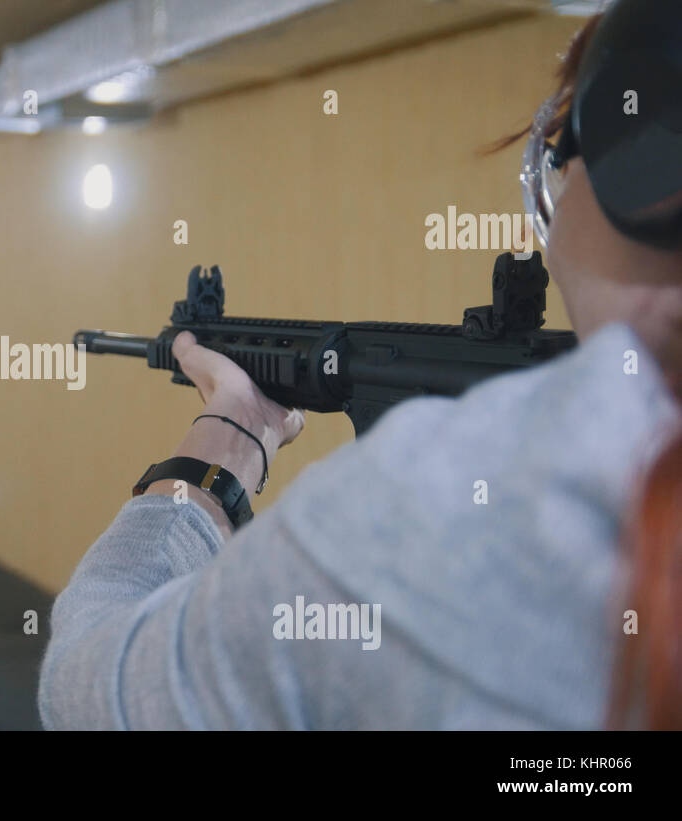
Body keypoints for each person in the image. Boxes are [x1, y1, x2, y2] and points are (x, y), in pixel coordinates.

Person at [38, 0, 682, 730]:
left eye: (567, 149)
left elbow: (92, 693)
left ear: (640, 170)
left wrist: (218, 447)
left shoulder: (427, 506)